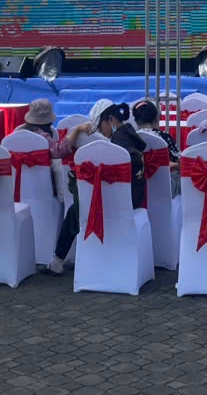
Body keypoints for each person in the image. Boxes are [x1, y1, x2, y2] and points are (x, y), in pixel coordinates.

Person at [46, 100, 147, 274]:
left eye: (100, 126)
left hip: (122, 200)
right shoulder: (128, 135)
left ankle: (58, 259)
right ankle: (59, 259)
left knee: (76, 210)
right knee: (77, 209)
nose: (100, 132)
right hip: (131, 196)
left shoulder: (119, 141)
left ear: (111, 120)